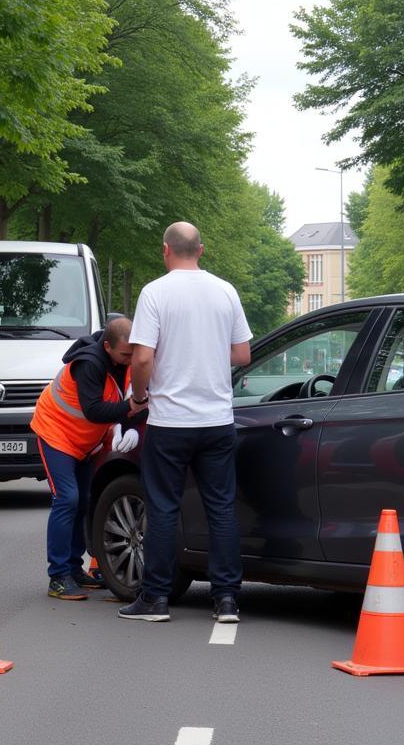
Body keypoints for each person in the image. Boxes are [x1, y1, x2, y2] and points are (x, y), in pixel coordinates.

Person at [119, 221, 252, 624]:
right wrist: (206, 353)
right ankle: (226, 599)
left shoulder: (155, 292)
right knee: (221, 508)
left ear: (165, 251)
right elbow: (243, 354)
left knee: (162, 508)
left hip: (170, 420)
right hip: (215, 419)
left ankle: (156, 598)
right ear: (202, 249)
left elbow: (141, 358)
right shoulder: (225, 291)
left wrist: (140, 397)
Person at [31, 317, 144, 600]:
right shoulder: (89, 364)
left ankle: (73, 567)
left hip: (84, 442)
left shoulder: (125, 362)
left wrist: (127, 424)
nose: (131, 360)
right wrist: (128, 408)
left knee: (83, 500)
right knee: (67, 498)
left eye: (133, 354)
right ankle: (58, 577)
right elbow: (94, 410)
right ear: (107, 347)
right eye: (125, 354)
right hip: (56, 433)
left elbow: (130, 402)